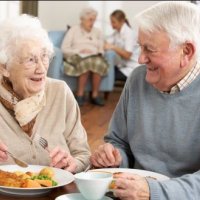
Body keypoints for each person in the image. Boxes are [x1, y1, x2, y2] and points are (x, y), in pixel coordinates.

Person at [91, 1, 200, 199]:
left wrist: (153, 192)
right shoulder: (137, 80)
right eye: (140, 47)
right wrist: (114, 157)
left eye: (150, 49)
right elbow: (118, 141)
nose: (140, 59)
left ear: (186, 52)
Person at [0, 14, 90, 174]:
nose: (41, 69)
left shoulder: (60, 92)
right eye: (30, 60)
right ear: (4, 68)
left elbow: (83, 155)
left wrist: (72, 163)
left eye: (44, 57)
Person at [61, 8, 109, 106]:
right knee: (87, 62)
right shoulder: (73, 30)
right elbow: (64, 48)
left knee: (97, 62)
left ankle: (95, 95)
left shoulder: (98, 32)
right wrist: (78, 51)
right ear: (82, 19)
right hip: (76, 56)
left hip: (94, 56)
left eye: (94, 20)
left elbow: (101, 48)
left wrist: (96, 52)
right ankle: (80, 94)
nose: (92, 22)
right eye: (90, 20)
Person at [104, 10, 140, 82]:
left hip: (132, 67)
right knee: (104, 69)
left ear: (122, 21)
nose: (112, 25)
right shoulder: (117, 32)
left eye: (114, 22)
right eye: (111, 22)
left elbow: (127, 55)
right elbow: (106, 43)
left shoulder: (129, 33)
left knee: (106, 74)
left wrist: (113, 47)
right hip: (123, 65)